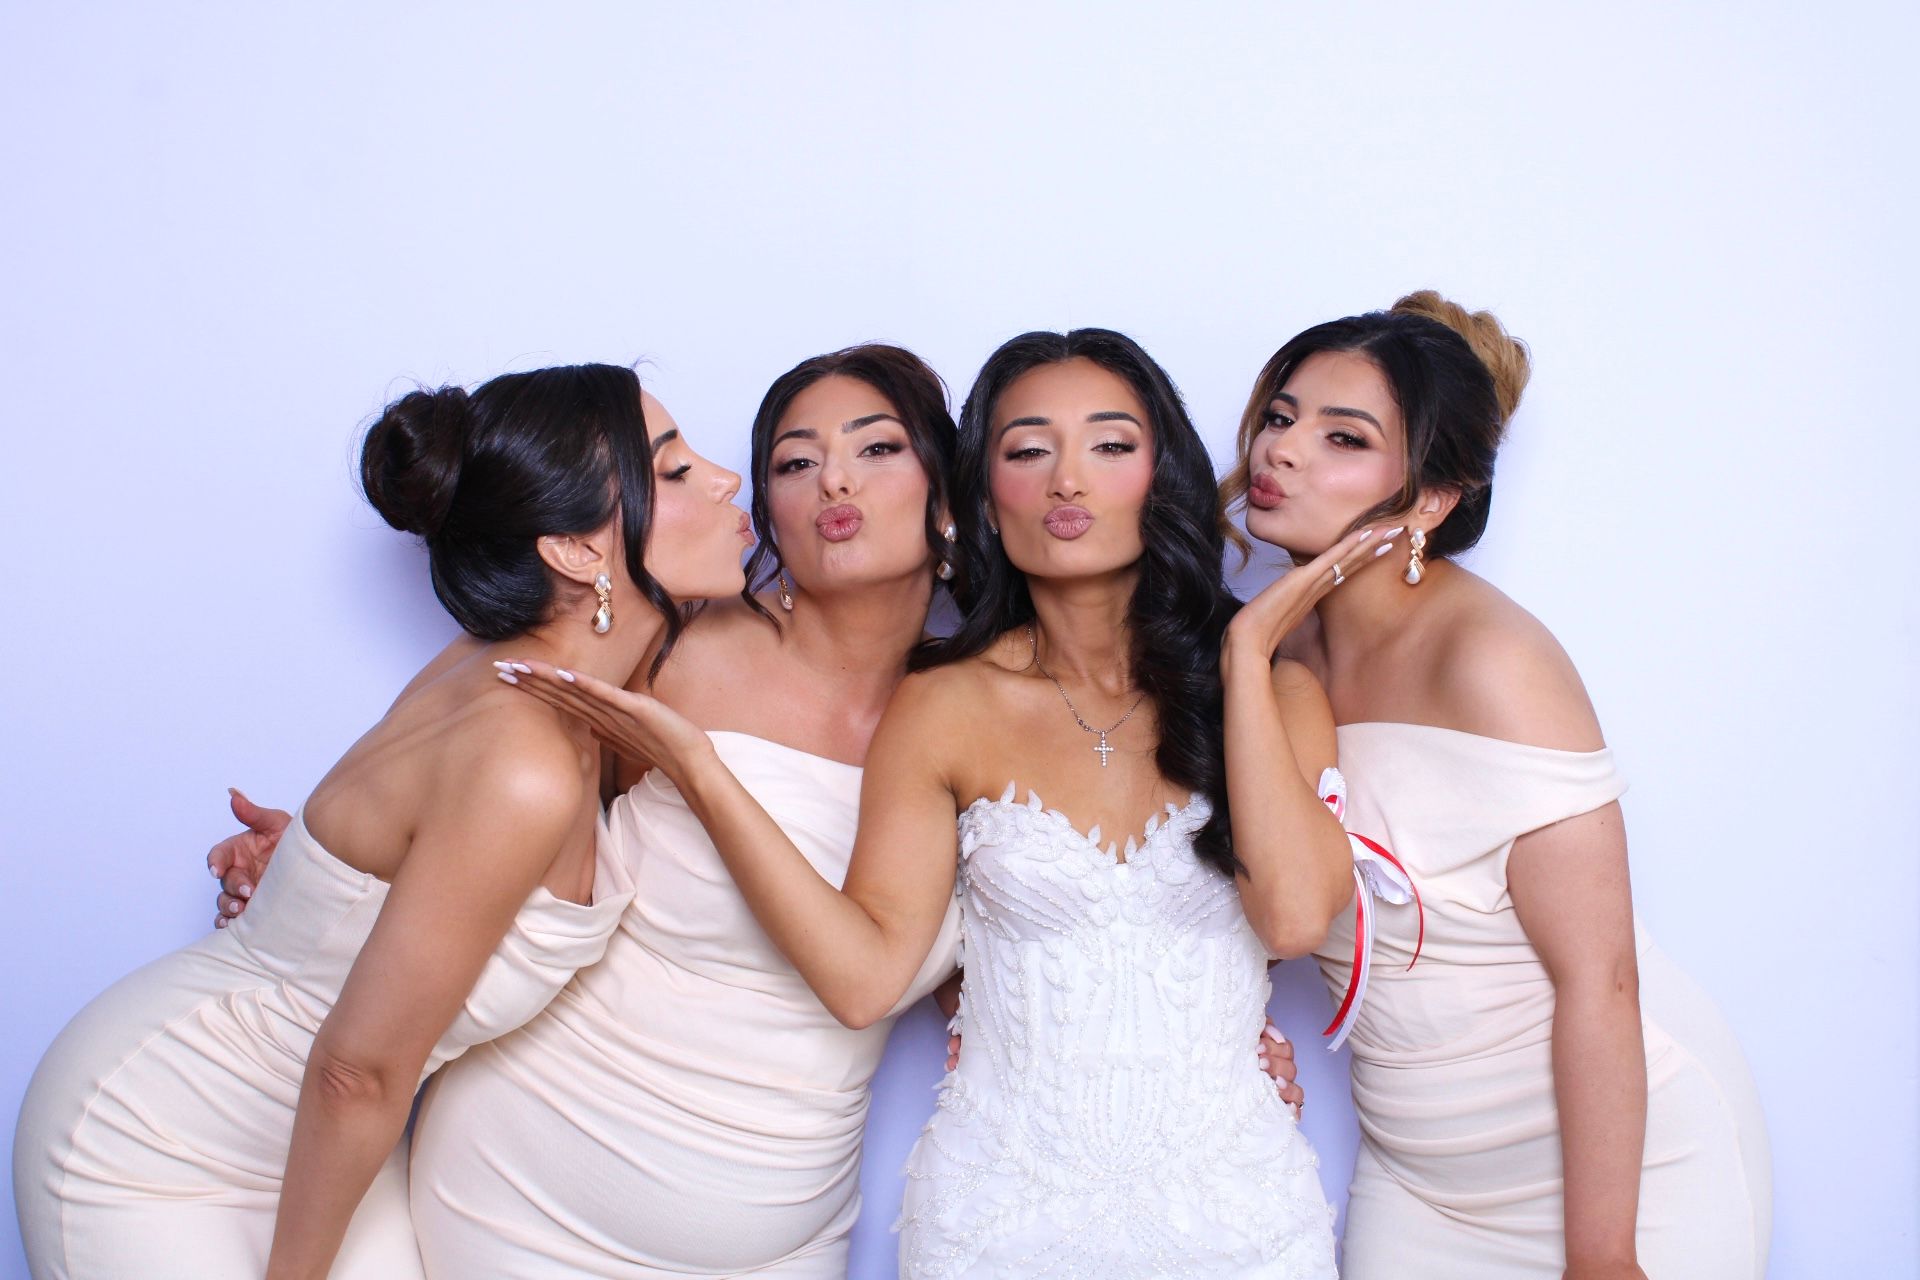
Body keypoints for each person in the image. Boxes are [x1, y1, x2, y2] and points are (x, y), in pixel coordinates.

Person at [507, 329, 1370, 1278]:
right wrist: (701, 770)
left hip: (1238, 1220)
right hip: (999, 1221)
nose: (1067, 481)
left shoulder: (1278, 692)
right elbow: (864, 978)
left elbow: (1291, 919)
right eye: (1028, 449)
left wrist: (1245, 655)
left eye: (1111, 446)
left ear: (1162, 478)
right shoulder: (944, 705)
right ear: (983, 501)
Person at [12, 363, 750, 1279]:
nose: (727, 479)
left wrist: (301, 885)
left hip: (315, 1147)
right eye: (673, 472)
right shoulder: (524, 756)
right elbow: (356, 1072)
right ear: (574, 550)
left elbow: (394, 853)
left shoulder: (515, 670)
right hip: (162, 1138)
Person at [1226, 293, 1772, 1278]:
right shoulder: (1261, 654)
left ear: (1432, 497)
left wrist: (1602, 1254)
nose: (1284, 450)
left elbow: (1598, 976)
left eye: (1341, 436)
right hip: (1418, 1179)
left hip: (1626, 1175)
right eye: (1280, 415)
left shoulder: (1491, 658)